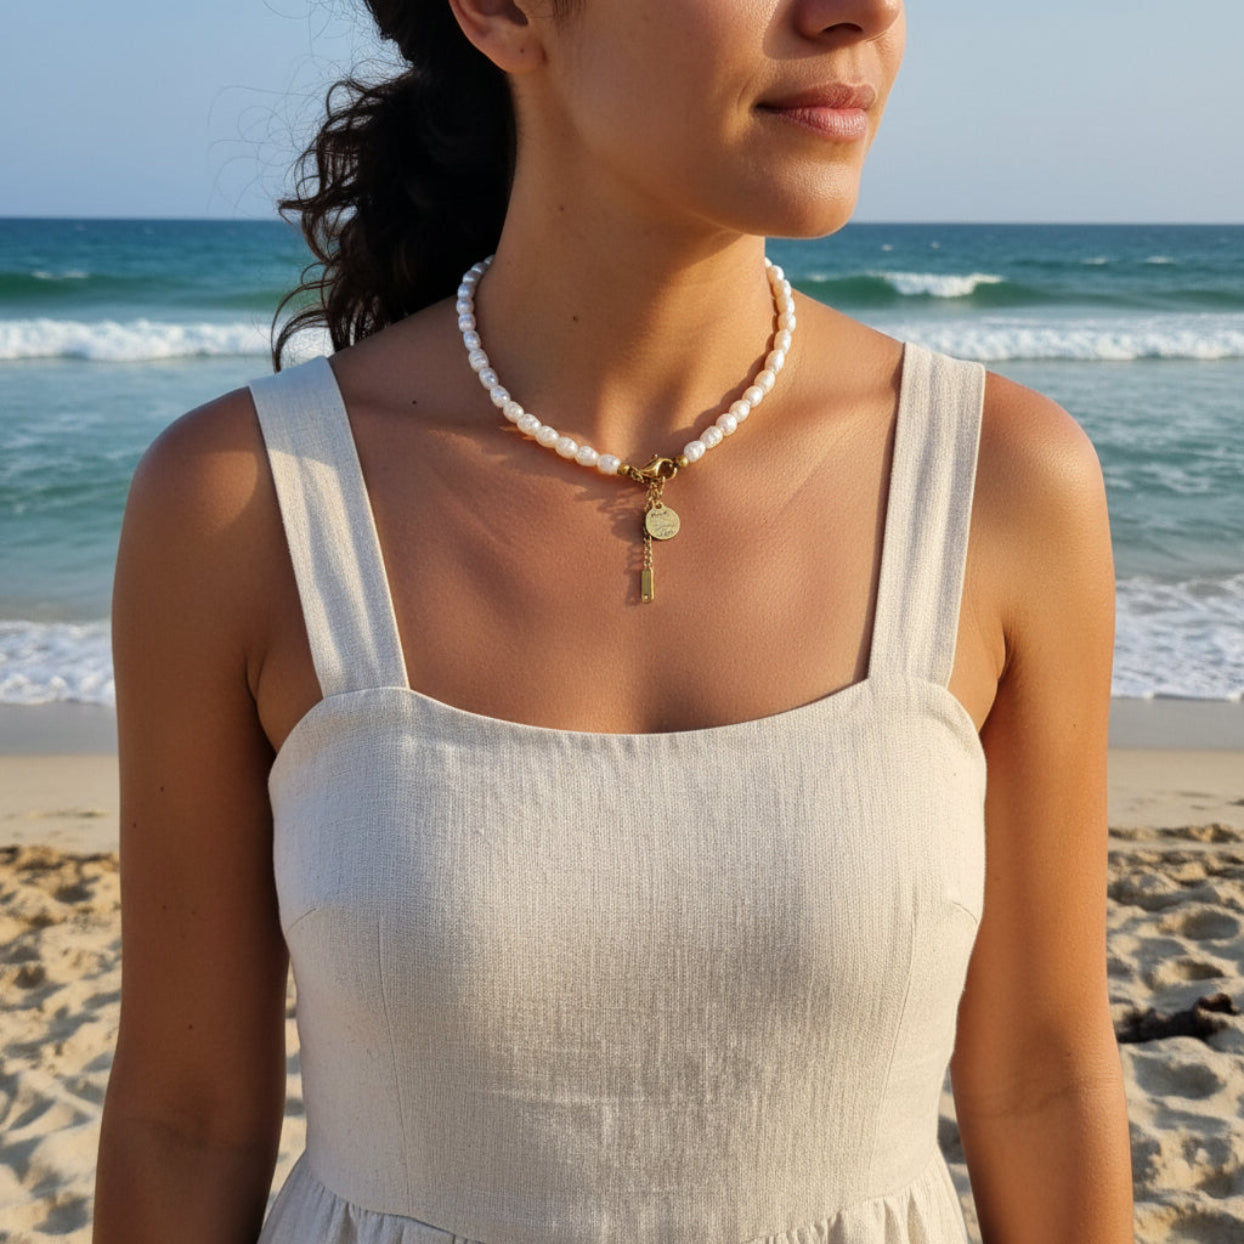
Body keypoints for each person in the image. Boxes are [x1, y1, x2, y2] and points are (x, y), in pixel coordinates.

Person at [93, 0, 1135, 1240]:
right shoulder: (241, 504)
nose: (859, 11)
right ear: (502, 9)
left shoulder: (998, 482)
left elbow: (1041, 1081)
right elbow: (185, 1119)